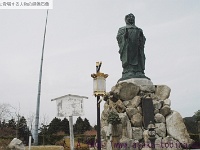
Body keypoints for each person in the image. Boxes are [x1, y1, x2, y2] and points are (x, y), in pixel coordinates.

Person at [117, 13, 149, 81]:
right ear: (126, 20)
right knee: (129, 57)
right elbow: (119, 38)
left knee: (139, 57)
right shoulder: (122, 29)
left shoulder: (139, 29)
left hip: (137, 47)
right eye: (129, 17)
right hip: (128, 47)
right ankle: (129, 71)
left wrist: (141, 37)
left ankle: (139, 71)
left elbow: (143, 39)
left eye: (132, 17)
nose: (131, 19)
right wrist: (124, 37)